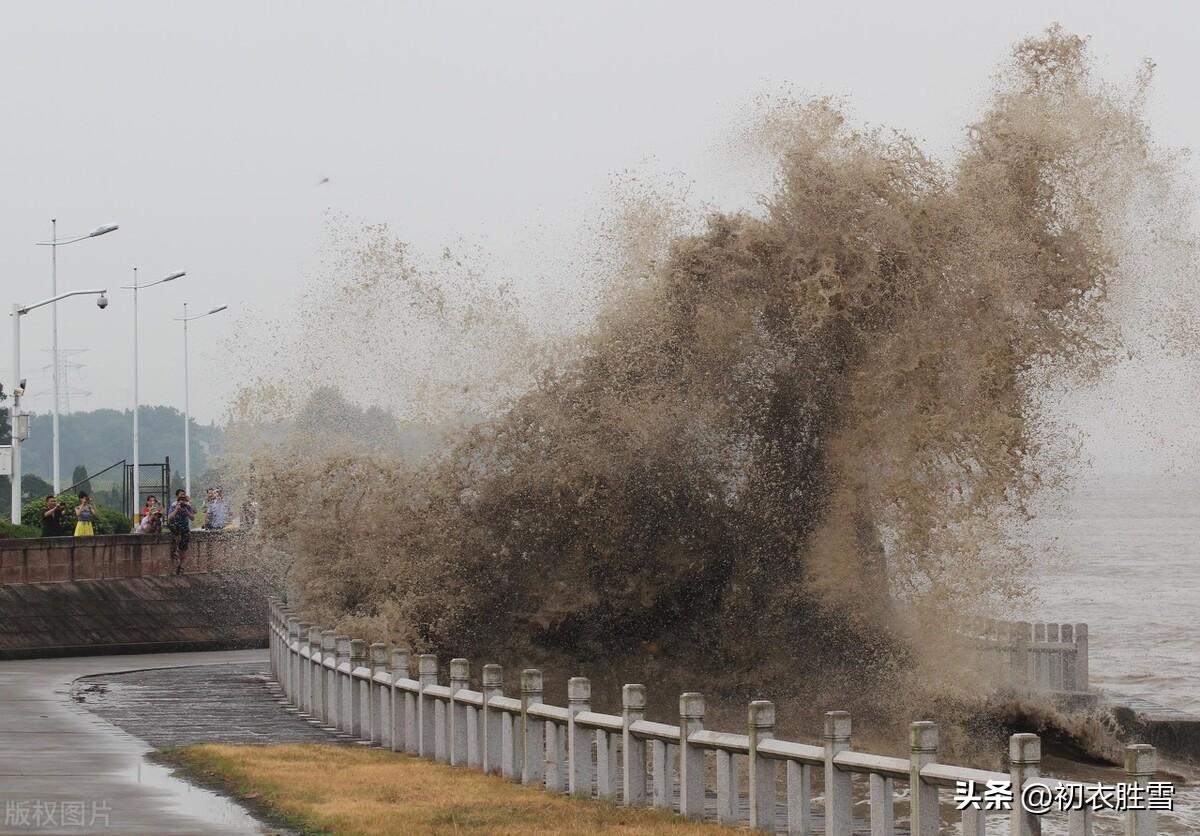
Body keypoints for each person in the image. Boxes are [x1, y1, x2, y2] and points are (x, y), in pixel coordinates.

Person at [167, 489, 195, 573]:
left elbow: (193, 517)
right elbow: (169, 518)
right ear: (177, 497)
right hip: (176, 528)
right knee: (176, 546)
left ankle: (181, 566)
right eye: (181, 495)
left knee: (183, 549)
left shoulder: (187, 506)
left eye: (184, 495)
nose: (183, 498)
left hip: (184, 528)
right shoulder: (173, 505)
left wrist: (187, 507)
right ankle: (176, 562)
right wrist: (176, 510)